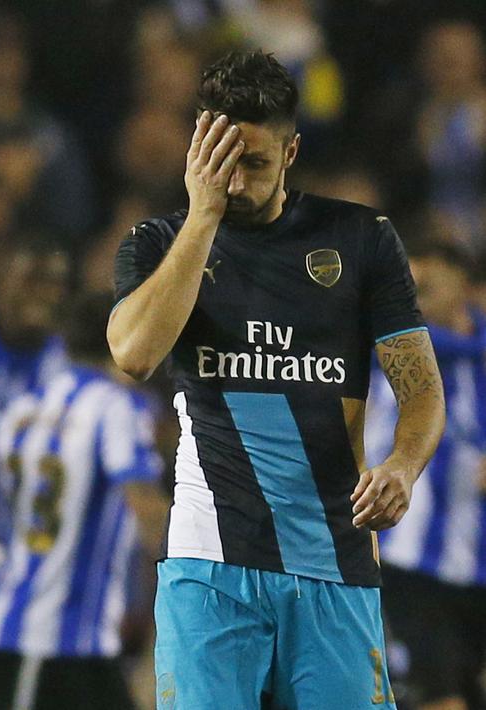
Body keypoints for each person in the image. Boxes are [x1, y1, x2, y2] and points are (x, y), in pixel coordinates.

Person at [107, 51, 445, 708]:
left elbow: (421, 389)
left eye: (254, 164)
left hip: (333, 562)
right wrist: (201, 218)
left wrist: (402, 466)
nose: (234, 183)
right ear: (196, 152)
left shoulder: (360, 239)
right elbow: (134, 355)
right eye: (220, 163)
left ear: (290, 153)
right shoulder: (157, 243)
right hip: (208, 567)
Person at [0, 292, 167, 710]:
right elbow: (145, 507)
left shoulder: (26, 405)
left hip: (37, 632)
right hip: (52, 640)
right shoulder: (115, 407)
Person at [365, 241, 486, 710]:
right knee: (443, 697)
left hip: (476, 565)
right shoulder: (386, 356)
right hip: (410, 557)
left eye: (426, 286)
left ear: (464, 284)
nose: (413, 299)